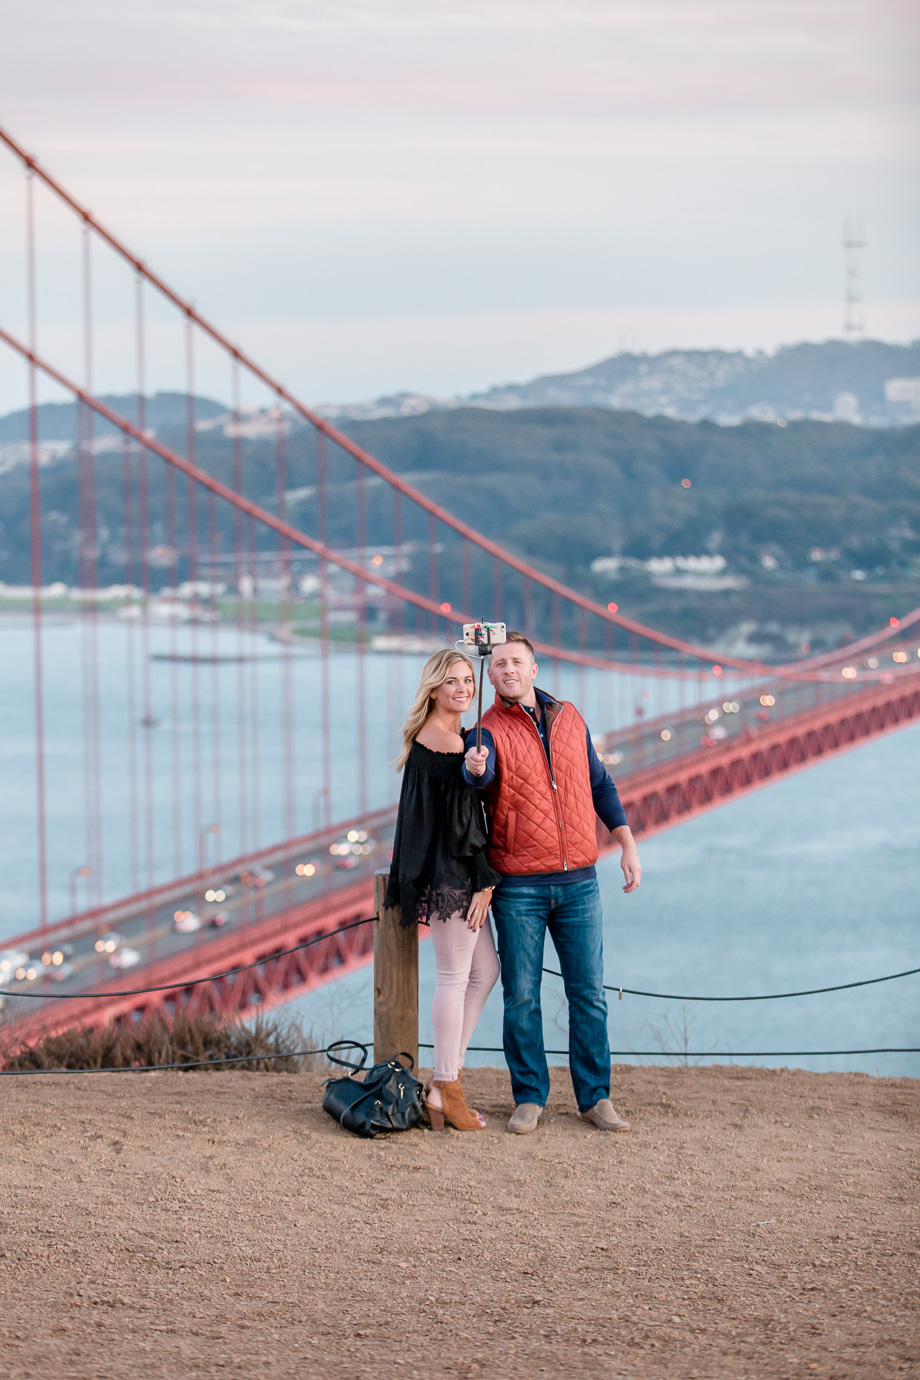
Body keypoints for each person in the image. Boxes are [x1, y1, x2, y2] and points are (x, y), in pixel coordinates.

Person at [462, 630, 641, 1135]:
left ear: (534, 669)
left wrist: (626, 844)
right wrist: (475, 768)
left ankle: (596, 1098)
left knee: (589, 995)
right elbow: (479, 772)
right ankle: (529, 1097)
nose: (508, 671)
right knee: (522, 996)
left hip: (581, 882)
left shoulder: (570, 717)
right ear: (490, 675)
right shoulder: (485, 731)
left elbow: (600, 783)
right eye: (498, 665)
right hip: (519, 887)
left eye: (517, 662)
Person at [385, 648, 502, 1131]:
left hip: (440, 873)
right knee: (456, 979)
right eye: (452, 682)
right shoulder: (449, 746)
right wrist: (485, 881)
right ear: (433, 689)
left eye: (468, 681)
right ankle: (446, 1087)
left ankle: (443, 1080)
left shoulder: (430, 738)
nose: (463, 690)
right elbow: (463, 825)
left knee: (486, 971)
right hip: (456, 877)